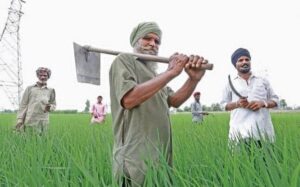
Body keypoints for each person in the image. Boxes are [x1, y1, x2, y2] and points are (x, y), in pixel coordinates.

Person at [109, 22, 208, 186]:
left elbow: (174, 101)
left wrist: (193, 79)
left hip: (159, 155)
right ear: (135, 41)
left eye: (157, 41)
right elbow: (129, 99)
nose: (152, 44)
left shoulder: (154, 75)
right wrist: (171, 72)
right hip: (134, 158)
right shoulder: (124, 60)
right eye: (147, 38)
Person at [221, 48, 279, 149]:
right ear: (235, 64)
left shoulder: (262, 80)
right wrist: (237, 104)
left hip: (262, 133)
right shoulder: (230, 83)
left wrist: (263, 103)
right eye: (240, 60)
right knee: (241, 163)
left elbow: (276, 100)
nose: (244, 62)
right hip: (239, 134)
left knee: (266, 163)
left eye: (247, 59)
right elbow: (223, 105)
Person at [15, 67, 56, 135]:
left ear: (48, 76)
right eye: (40, 75)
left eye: (45, 75)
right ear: (37, 76)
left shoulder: (51, 90)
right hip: (30, 120)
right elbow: (23, 105)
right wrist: (20, 119)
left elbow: (54, 104)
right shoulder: (30, 88)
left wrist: (50, 107)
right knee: (29, 141)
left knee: (42, 142)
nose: (42, 77)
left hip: (43, 121)